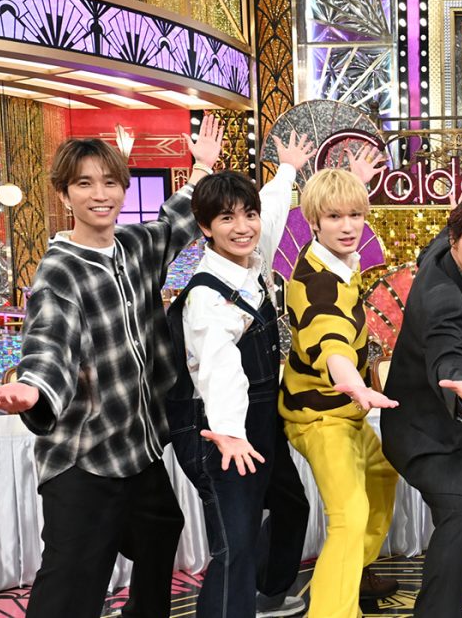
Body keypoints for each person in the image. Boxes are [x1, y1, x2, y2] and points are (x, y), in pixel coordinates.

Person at [0, 117, 224, 617]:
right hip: (82, 456)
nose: (100, 194)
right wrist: (33, 388)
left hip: (135, 447)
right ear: (64, 195)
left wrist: (200, 167)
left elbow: (173, 222)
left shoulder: (134, 246)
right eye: (84, 184)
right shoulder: (59, 270)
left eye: (110, 182)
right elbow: (50, 342)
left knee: (161, 530)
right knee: (73, 582)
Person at [163, 132, 315, 618]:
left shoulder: (252, 259)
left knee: (291, 505)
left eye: (247, 214)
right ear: (205, 228)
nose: (243, 226)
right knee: (235, 545)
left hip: (260, 418)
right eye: (226, 218)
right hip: (216, 426)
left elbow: (272, 207)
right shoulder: (208, 293)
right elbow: (218, 365)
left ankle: (269, 593)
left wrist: (287, 169)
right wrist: (229, 431)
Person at [278, 150, 402, 618]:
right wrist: (356, 385)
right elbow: (331, 343)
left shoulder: (337, 262)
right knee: (349, 519)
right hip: (320, 416)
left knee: (382, 474)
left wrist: (355, 182)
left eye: (355, 214)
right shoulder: (319, 284)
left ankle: (345, 574)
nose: (348, 226)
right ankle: (333, 608)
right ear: (314, 222)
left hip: (344, 411)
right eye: (334, 217)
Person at [380, 194, 462, 617]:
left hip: (434, 425)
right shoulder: (445, 297)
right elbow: (447, 345)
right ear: (456, 238)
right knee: (460, 508)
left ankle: (451, 580)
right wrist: (460, 381)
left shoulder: (441, 253)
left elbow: (443, 238)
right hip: (421, 432)